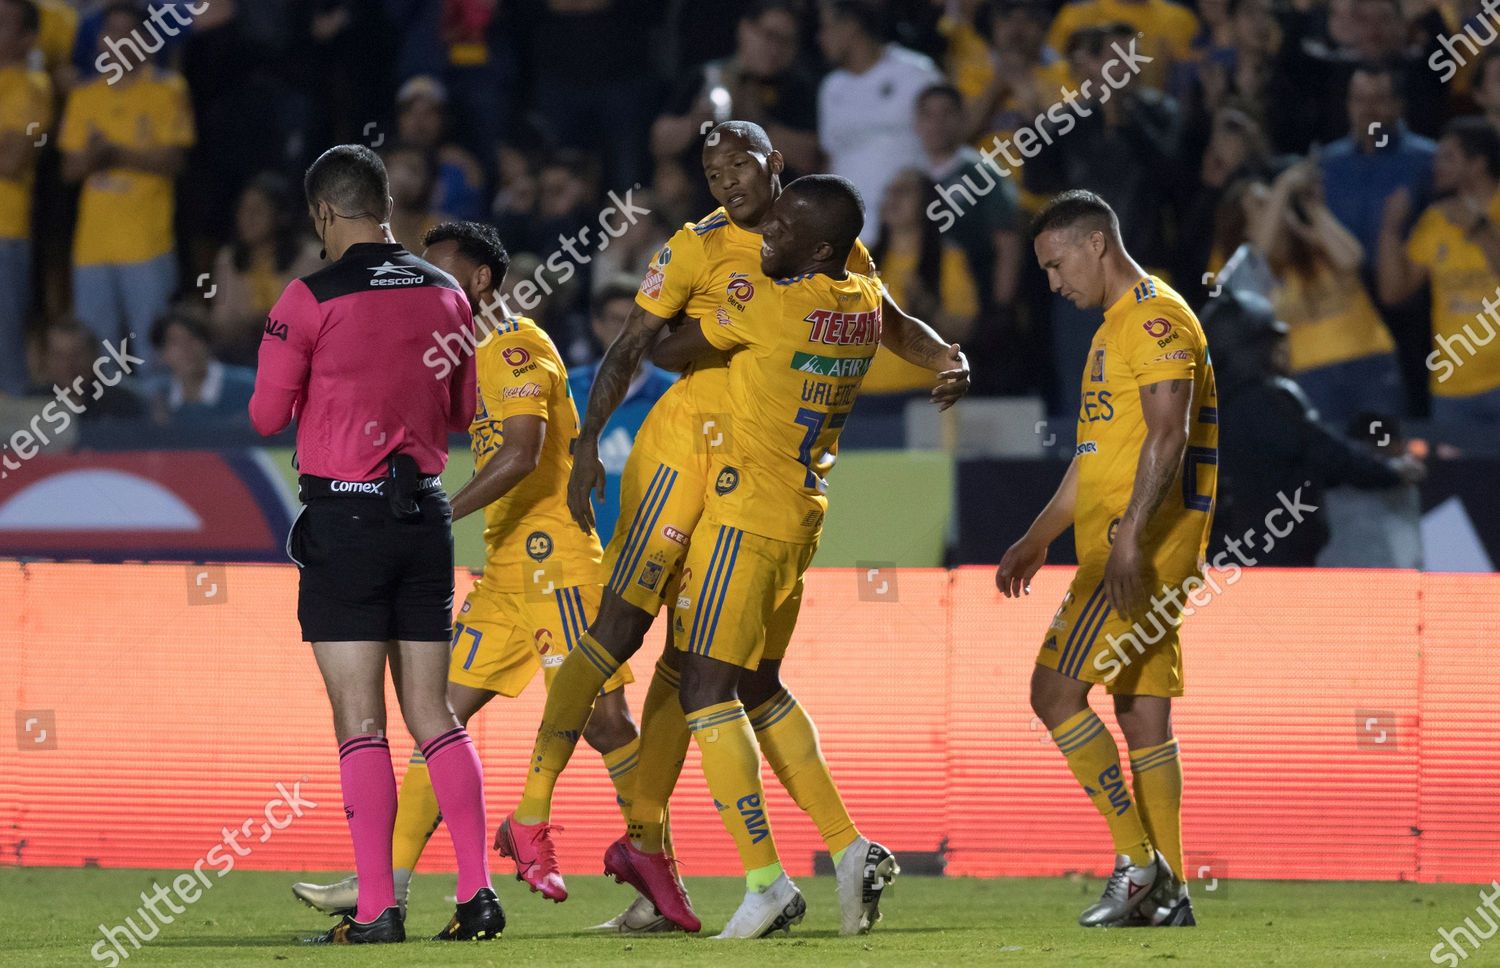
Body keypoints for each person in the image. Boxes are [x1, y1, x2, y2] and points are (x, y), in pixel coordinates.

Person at [496, 121, 969, 936]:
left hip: (743, 494)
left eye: (739, 166)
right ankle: (807, 850)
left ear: (775, 168)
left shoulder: (778, 284)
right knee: (697, 662)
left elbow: (666, 347)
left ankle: (727, 868)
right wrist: (950, 357)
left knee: (691, 675)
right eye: (710, 170)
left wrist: (698, 328)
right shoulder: (768, 258)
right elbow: (636, 345)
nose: (726, 183)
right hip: (720, 477)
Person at [289, 221, 671, 934]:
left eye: (441, 270)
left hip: (556, 563)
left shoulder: (518, 345)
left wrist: (437, 511)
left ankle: (658, 884)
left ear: (482, 279)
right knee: (437, 720)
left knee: (607, 722)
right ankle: (385, 886)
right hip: (503, 576)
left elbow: (522, 454)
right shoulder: (456, 356)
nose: (428, 283)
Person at [639, 174, 905, 937]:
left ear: (821, 249)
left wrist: (685, 297)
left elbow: (666, 349)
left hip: (744, 517)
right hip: (800, 518)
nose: (766, 234)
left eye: (784, 228)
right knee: (759, 684)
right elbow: (895, 318)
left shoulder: (767, 303)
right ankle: (849, 850)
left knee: (704, 689)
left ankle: (766, 881)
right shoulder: (861, 302)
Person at [250, 144, 500, 944]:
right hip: (426, 516)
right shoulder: (448, 292)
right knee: (434, 714)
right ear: (387, 205)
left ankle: (377, 910)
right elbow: (461, 412)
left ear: (323, 212)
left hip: (347, 519)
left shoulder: (308, 296)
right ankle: (477, 894)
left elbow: (264, 415)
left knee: (362, 722)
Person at [996, 190, 1217, 929]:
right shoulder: (1113, 329)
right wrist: (1040, 533)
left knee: (1053, 694)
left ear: (1096, 243)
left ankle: (1138, 861)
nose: (1053, 282)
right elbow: (1098, 456)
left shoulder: (1154, 319)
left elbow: (1168, 434)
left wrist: (1127, 539)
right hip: (1133, 543)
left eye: (1057, 264)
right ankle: (1172, 893)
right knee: (1141, 712)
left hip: (1138, 549)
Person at [1204, 289, 1423, 566]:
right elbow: (1326, 454)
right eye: (1271, 342)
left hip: (1222, 562)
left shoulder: (1201, 405)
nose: (1281, 350)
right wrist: (1390, 471)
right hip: (1275, 564)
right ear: (1252, 347)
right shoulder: (1266, 401)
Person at [59, 1, 195, 358]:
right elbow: (69, 170)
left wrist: (114, 154)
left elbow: (175, 161)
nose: (117, 41)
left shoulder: (168, 90)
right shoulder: (84, 95)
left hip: (146, 244)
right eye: (111, 32)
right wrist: (96, 157)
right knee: (95, 355)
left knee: (152, 351)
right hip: (92, 246)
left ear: (147, 40)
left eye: (127, 32)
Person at [1250, 158, 1402, 424]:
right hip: (1311, 372)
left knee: (1384, 446)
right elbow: (1259, 257)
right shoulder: (1262, 267)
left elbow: (1352, 259)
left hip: (1368, 359)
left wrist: (1313, 207)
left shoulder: (1321, 243)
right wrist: (1283, 187)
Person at [1378, 117, 1500, 426]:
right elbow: (1394, 293)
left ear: (1478, 163)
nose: (1437, 166)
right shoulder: (1436, 219)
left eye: (1448, 157)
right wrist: (1390, 230)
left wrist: (1479, 229)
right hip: (1453, 386)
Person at [817, 0, 942, 239]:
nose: (819, 37)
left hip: (906, 234)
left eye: (825, 27)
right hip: (849, 236)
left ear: (851, 26)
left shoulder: (916, 73)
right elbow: (831, 157)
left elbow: (948, 141)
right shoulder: (831, 87)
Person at [568, 276, 676, 544]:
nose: (626, 332)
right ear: (597, 325)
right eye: (617, 320)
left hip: (648, 548)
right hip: (576, 548)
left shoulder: (675, 395)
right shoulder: (565, 390)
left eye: (635, 322)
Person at [863, 168, 980, 398]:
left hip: (923, 390)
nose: (893, 197)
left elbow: (965, 329)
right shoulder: (860, 260)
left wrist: (925, 305)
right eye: (890, 191)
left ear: (927, 202)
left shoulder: (948, 260)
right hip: (861, 392)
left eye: (904, 191)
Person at [207, 173, 322, 367]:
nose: (247, 218)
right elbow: (221, 320)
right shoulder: (228, 259)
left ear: (282, 216)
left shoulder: (311, 257)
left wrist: (257, 322)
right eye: (243, 210)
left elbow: (307, 321)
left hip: (296, 353)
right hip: (241, 351)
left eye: (257, 211)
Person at [0, 0, 49, 396]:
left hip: (5, 227)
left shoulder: (32, 86)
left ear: (27, 38)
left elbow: (13, 161)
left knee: (4, 336)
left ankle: (12, 416)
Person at [146, 309, 255, 426]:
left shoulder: (248, 387)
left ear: (206, 343)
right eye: (175, 343)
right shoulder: (156, 397)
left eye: (192, 339)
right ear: (162, 354)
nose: (186, 349)